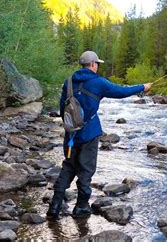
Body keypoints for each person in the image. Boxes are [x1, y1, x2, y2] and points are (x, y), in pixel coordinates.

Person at [47, 50, 152, 219]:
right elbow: (121, 92)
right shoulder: (98, 83)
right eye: (98, 64)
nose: (98, 67)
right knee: (86, 170)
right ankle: (81, 206)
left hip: (71, 135)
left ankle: (55, 206)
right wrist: (143, 87)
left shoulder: (68, 82)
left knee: (68, 167)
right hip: (89, 134)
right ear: (94, 64)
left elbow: (62, 110)